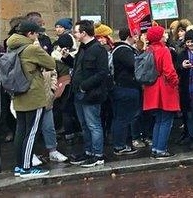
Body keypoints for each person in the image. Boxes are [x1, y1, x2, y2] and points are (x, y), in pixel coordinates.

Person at [8, 20, 56, 177]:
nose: (38, 36)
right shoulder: (32, 49)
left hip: (18, 93)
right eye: (37, 33)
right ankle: (27, 168)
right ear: (30, 34)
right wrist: (38, 47)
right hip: (33, 95)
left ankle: (19, 166)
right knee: (32, 132)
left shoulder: (12, 46)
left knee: (20, 131)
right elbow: (51, 63)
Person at [68, 20, 110, 167]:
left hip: (91, 93)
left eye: (76, 32)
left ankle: (97, 155)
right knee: (84, 125)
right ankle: (89, 152)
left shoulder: (98, 49)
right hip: (79, 92)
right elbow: (79, 67)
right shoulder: (83, 48)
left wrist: (84, 86)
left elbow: (102, 72)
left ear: (84, 33)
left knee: (93, 124)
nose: (74, 34)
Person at [141, 25, 179, 158]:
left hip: (151, 88)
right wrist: (176, 82)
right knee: (166, 120)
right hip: (164, 87)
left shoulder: (149, 50)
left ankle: (156, 148)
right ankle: (161, 149)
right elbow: (169, 71)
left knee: (158, 120)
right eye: (164, 34)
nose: (166, 35)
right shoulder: (164, 50)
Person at [110, 28, 140, 156]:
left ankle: (119, 142)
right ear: (130, 36)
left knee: (119, 117)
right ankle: (119, 145)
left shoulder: (116, 49)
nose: (137, 38)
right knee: (123, 117)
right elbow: (135, 66)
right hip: (126, 88)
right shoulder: (124, 50)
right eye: (135, 35)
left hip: (119, 87)